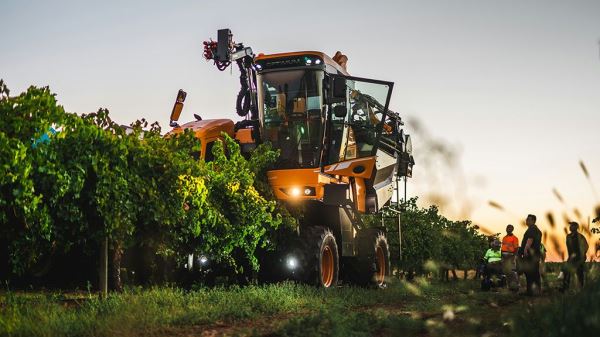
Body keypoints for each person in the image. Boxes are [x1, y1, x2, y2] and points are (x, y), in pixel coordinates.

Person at [560, 221, 589, 292]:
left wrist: (581, 256)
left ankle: (581, 289)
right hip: (571, 258)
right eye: (570, 226)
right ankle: (565, 288)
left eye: (572, 225)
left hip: (579, 258)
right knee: (566, 271)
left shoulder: (580, 236)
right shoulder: (568, 236)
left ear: (576, 227)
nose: (570, 227)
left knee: (579, 273)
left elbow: (586, 246)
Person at [519, 214, 542, 296]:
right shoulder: (537, 230)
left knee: (529, 273)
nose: (526, 220)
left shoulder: (532, 229)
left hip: (530, 254)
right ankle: (535, 291)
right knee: (535, 272)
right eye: (526, 219)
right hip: (535, 254)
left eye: (528, 219)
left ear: (533, 221)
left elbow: (530, 239)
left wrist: (525, 250)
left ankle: (531, 292)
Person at [501, 225, 519, 290]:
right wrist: (501, 257)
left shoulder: (515, 238)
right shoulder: (504, 238)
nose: (508, 229)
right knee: (506, 272)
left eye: (510, 228)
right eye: (507, 228)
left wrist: (513, 257)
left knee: (512, 272)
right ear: (506, 229)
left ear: (512, 230)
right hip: (503, 255)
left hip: (510, 255)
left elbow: (516, 249)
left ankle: (515, 287)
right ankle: (509, 286)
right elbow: (502, 248)